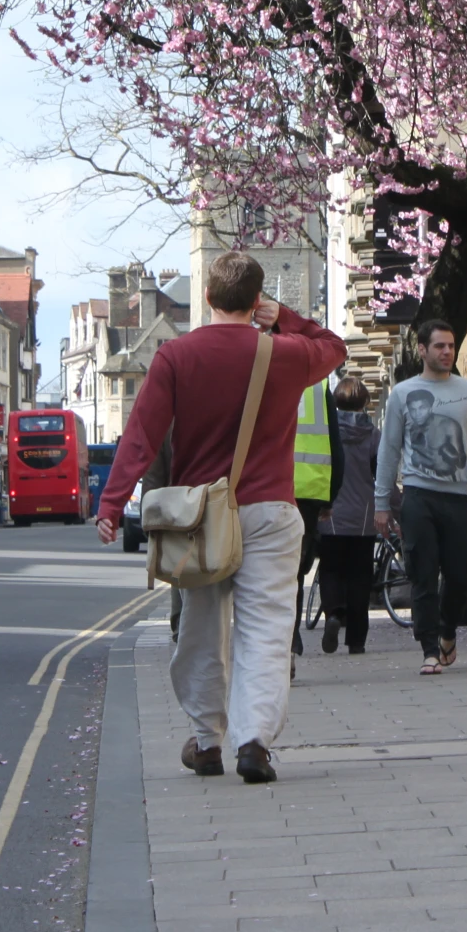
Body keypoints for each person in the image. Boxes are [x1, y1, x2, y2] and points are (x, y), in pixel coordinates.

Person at [98, 251, 346, 784]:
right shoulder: (285, 353)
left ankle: (207, 740)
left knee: (202, 626)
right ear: (256, 300)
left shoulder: (175, 357)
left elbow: (141, 435)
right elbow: (335, 347)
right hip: (273, 512)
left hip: (201, 515)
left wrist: (113, 503)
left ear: (207, 297)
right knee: (266, 629)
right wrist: (284, 318)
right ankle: (254, 741)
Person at [374, 320, 467, 674]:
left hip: (458, 497)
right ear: (423, 350)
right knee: (423, 573)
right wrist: (382, 503)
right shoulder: (402, 394)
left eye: (451, 346)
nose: (447, 352)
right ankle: (429, 649)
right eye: (439, 346)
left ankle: (446, 632)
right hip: (417, 496)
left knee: (460, 575)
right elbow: (389, 450)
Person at [314, 376, 382, 653]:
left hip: (329, 516)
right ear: (365, 402)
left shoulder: (326, 433)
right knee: (360, 579)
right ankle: (356, 641)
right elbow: (383, 476)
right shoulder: (374, 435)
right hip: (364, 520)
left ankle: (333, 614)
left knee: (330, 570)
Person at [290, 377, 342, 656]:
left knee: (266, 569)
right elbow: (336, 446)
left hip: (264, 489)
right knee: (295, 570)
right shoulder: (317, 387)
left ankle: (281, 636)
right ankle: (292, 635)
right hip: (307, 492)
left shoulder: (254, 368)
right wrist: (328, 497)